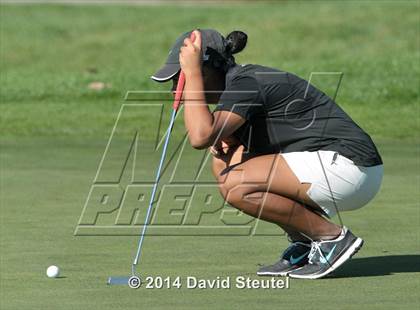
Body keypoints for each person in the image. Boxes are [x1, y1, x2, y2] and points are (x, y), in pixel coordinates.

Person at [151, 29, 383, 279]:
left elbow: (199, 136)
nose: (176, 89)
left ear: (207, 69)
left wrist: (193, 74)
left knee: (236, 183)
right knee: (224, 162)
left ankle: (331, 239)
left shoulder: (246, 83)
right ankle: (307, 242)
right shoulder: (236, 88)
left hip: (351, 167)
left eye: (180, 79)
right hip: (333, 167)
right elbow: (215, 137)